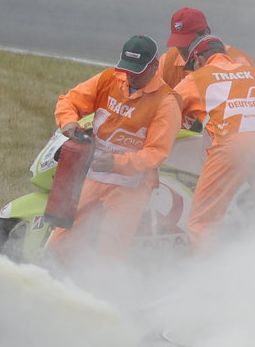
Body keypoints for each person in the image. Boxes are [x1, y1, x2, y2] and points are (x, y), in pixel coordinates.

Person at [48, 34, 180, 262]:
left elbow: (156, 153)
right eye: (128, 70)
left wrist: (116, 163)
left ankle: (102, 289)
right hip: (95, 173)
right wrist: (69, 122)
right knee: (63, 236)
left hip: (132, 185)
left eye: (137, 72)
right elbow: (68, 101)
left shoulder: (166, 102)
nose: (131, 77)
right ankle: (54, 278)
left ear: (154, 66)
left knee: (110, 249)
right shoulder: (109, 79)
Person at [171, 35, 255, 253]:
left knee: (203, 223)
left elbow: (162, 113)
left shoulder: (196, 79)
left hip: (234, 142)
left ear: (198, 60)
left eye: (191, 66)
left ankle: (212, 280)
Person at [155, 7, 255, 91]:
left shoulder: (239, 63)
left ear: (206, 33)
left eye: (188, 41)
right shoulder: (167, 62)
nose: (182, 48)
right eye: (178, 41)